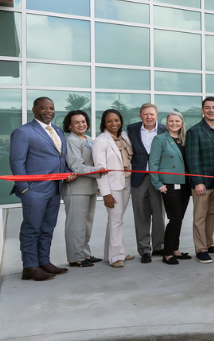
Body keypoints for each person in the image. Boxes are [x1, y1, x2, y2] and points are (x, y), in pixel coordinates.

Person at [10, 97, 77, 281]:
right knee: (32, 228)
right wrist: (24, 188)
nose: (49, 111)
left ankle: (43, 261)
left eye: (52, 108)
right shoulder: (23, 132)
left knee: (47, 227)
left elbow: (59, 159)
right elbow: (17, 162)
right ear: (34, 110)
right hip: (34, 190)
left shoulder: (57, 131)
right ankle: (30, 266)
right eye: (44, 108)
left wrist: (67, 174)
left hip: (55, 188)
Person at [93, 109, 136, 268]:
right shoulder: (100, 140)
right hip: (112, 186)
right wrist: (106, 194)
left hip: (126, 182)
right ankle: (116, 257)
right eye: (109, 121)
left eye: (116, 120)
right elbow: (100, 169)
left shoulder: (124, 136)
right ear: (104, 123)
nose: (113, 124)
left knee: (116, 220)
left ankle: (113, 253)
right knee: (116, 220)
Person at [186, 97, 214, 263]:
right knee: (200, 217)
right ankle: (201, 249)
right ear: (202, 110)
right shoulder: (194, 131)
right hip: (202, 183)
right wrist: (198, 181)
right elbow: (192, 158)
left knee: (212, 215)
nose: (211, 110)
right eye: (208, 108)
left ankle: (209, 244)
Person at [62, 110, 104, 267]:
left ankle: (85, 254)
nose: (81, 124)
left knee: (86, 224)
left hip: (90, 187)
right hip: (76, 189)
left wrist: (98, 182)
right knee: (76, 224)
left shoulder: (89, 139)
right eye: (76, 122)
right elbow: (77, 167)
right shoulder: (71, 140)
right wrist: (100, 170)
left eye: (83, 121)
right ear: (70, 126)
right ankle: (76, 257)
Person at [149, 111, 193, 265]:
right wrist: (158, 183)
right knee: (174, 218)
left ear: (182, 123)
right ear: (166, 123)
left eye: (177, 121)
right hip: (168, 184)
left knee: (179, 218)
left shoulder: (185, 139)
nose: (174, 124)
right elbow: (153, 163)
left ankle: (175, 249)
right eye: (171, 121)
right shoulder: (160, 139)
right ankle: (167, 253)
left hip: (185, 184)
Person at [126, 103, 167, 263]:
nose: (149, 117)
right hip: (139, 177)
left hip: (160, 178)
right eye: (145, 114)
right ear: (140, 115)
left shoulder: (165, 129)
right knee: (141, 214)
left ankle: (159, 246)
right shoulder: (131, 129)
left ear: (157, 114)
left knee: (159, 214)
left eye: (151, 114)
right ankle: (144, 250)